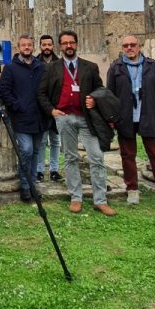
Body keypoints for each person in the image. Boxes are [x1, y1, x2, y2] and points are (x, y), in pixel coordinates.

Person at [37, 30, 114, 216]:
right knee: (71, 158)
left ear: (76, 44)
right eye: (65, 43)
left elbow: (100, 89)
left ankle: (100, 200)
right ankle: (76, 197)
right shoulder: (52, 68)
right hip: (64, 118)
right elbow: (41, 93)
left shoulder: (90, 67)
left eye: (71, 43)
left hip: (86, 118)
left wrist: (94, 99)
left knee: (96, 157)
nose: (68, 46)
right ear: (60, 46)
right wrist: (52, 111)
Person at [106, 34, 155, 206]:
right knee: (128, 155)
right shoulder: (116, 67)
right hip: (125, 117)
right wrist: (112, 118)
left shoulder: (152, 66)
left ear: (139, 46)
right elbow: (110, 96)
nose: (129, 48)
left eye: (133, 45)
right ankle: (132, 190)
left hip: (148, 115)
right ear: (122, 48)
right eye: (126, 45)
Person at [0, 34, 46, 202]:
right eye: (23, 45)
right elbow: (4, 90)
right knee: (26, 150)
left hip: (39, 117)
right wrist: (17, 106)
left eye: (29, 45)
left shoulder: (40, 66)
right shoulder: (10, 67)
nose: (27, 47)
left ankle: (32, 185)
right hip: (20, 117)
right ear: (18, 48)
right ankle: (26, 186)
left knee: (36, 152)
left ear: (33, 47)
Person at [36, 34, 62, 183]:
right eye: (44, 45)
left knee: (56, 141)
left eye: (49, 45)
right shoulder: (35, 63)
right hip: (41, 108)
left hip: (57, 108)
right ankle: (39, 170)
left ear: (53, 46)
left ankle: (54, 170)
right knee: (42, 142)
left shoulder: (59, 63)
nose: (47, 47)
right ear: (40, 46)